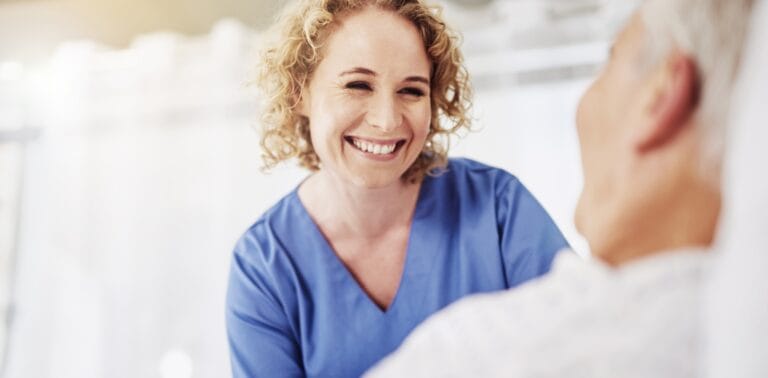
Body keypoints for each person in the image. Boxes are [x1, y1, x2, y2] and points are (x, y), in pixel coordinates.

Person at [366, 0, 755, 376]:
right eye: (357, 85)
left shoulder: (475, 353)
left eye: (611, 59)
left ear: (662, 96)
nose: (385, 120)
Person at [225, 0, 569, 377]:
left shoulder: (498, 211)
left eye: (411, 91)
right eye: (358, 85)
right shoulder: (265, 267)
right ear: (299, 92)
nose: (387, 121)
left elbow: (590, 346)